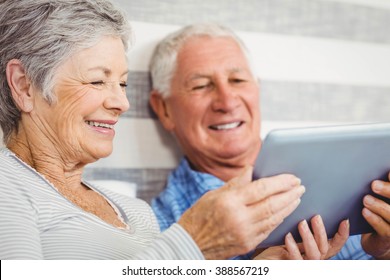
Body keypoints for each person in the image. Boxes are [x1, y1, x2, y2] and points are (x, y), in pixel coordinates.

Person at [0, 0, 309, 260]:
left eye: (122, 84)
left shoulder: (136, 212)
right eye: (97, 80)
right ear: (25, 86)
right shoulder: (7, 184)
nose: (122, 103)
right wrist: (194, 244)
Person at [149, 23, 390, 260]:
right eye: (201, 85)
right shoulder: (160, 233)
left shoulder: (351, 181)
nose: (227, 101)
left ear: (257, 88)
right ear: (164, 109)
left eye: (238, 80)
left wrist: (383, 254)